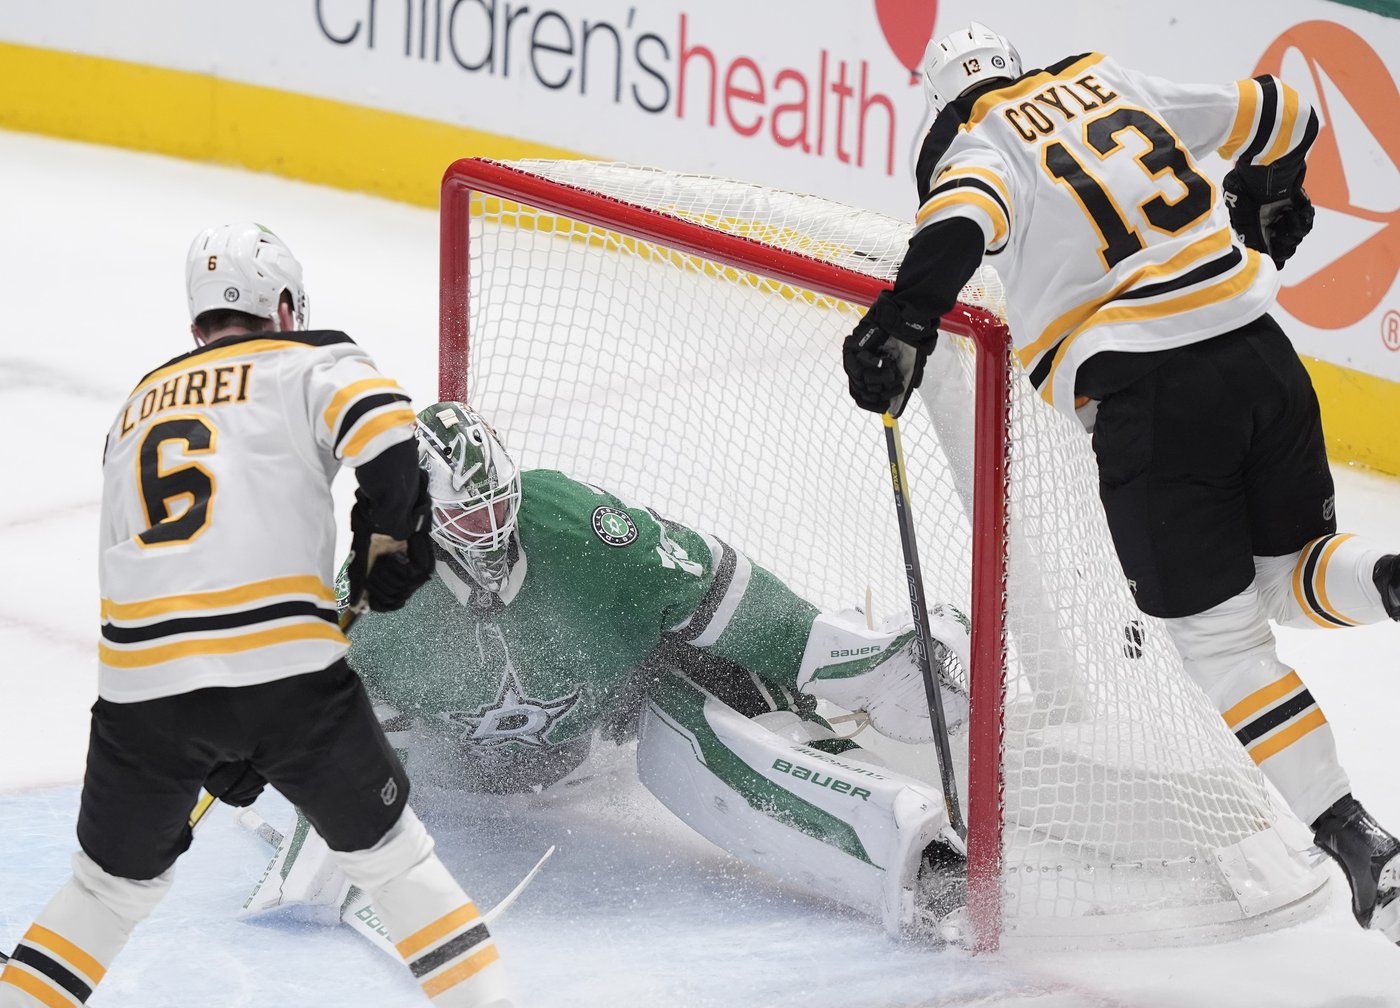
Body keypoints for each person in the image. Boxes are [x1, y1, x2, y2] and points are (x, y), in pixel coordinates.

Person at [841, 21, 1400, 942]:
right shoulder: (1115, 82)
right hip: (1263, 361)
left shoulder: (984, 143)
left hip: (1156, 405)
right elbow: (1288, 112)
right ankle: (1392, 577)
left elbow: (958, 223)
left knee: (1221, 645)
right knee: (1290, 575)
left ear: (943, 103)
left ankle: (1358, 842)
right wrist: (1268, 190)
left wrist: (903, 317)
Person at [0, 225, 513, 1008]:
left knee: (105, 894)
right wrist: (385, 552)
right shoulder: (312, 361)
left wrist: (197, 730)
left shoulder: (135, 406)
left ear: (198, 322)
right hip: (289, 678)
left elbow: (123, 559)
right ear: (282, 306)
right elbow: (388, 438)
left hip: (142, 689)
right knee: (393, 864)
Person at [240, 401, 973, 941]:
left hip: (602, 726)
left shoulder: (577, 527)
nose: (492, 531)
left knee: (696, 679)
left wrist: (852, 662)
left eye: (500, 504)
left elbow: (717, 591)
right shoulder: (380, 594)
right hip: (463, 775)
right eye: (468, 518)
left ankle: (905, 849)